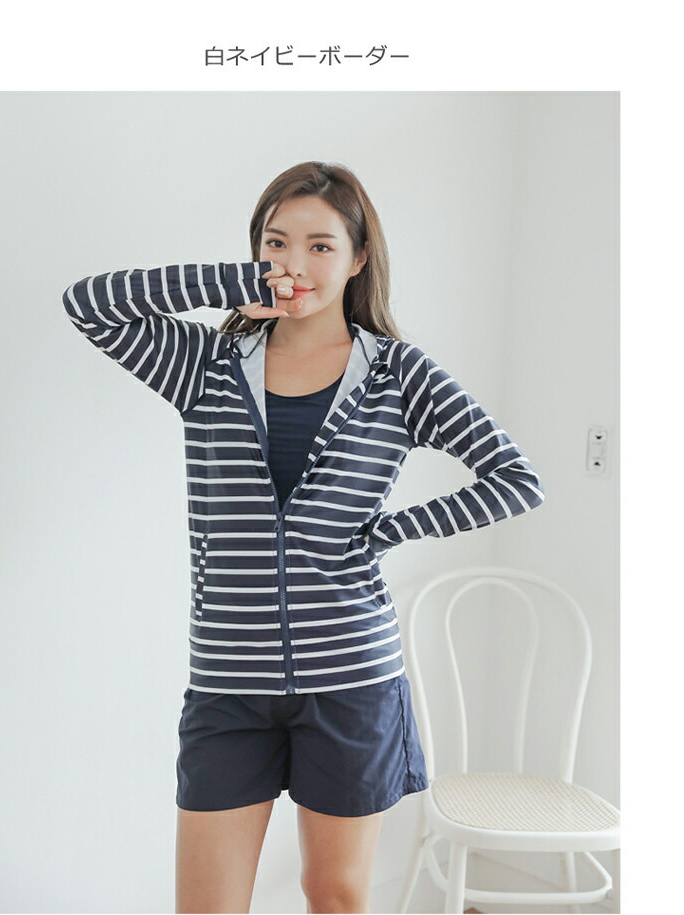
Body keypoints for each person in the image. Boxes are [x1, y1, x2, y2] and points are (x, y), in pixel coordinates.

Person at [62, 161, 545, 914]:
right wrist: (235, 284)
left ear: (358, 258)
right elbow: (90, 304)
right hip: (229, 681)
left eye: (320, 246)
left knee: (334, 892)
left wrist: (388, 530)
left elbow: (515, 478)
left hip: (351, 677)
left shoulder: (398, 375)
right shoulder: (207, 366)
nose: (294, 264)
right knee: (207, 906)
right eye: (276, 242)